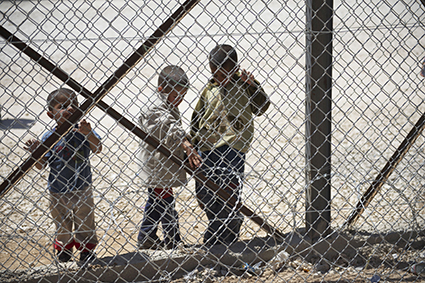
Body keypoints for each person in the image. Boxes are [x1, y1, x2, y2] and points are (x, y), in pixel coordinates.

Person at [190, 44, 270, 246]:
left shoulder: (244, 85)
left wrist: (253, 85)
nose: (219, 78)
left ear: (235, 69)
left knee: (228, 193)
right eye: (215, 73)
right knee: (206, 194)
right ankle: (230, 223)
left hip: (234, 147)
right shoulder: (209, 89)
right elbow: (197, 118)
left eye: (223, 74)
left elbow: (261, 107)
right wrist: (191, 143)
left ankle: (216, 238)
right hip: (207, 148)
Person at [24, 88, 102, 263]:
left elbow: (98, 148)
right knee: (63, 223)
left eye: (74, 105)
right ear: (51, 114)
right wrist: (36, 153)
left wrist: (88, 133)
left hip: (83, 188)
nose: (70, 109)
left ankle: (86, 250)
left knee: (85, 221)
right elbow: (41, 165)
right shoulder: (50, 137)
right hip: (58, 191)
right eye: (63, 106)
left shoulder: (82, 131)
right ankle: (64, 251)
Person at [137, 65, 201, 250]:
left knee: (160, 201)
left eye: (182, 96)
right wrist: (186, 143)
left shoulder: (167, 103)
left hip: (163, 164)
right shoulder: (154, 107)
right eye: (175, 96)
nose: (179, 100)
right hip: (157, 164)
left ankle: (153, 237)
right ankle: (166, 238)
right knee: (164, 202)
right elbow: (169, 126)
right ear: (161, 90)